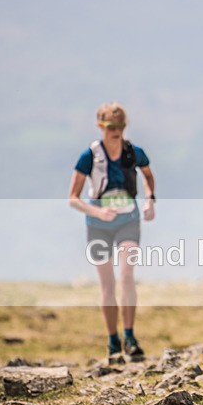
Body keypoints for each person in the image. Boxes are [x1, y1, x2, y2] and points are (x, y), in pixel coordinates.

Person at [68, 102, 156, 364]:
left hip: (128, 219)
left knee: (127, 275)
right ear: (100, 127)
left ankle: (129, 336)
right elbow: (73, 198)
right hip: (98, 224)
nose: (115, 132)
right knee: (108, 284)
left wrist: (150, 199)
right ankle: (112, 340)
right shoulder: (89, 156)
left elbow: (149, 176)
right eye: (110, 127)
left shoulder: (134, 152)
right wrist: (97, 213)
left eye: (120, 127)